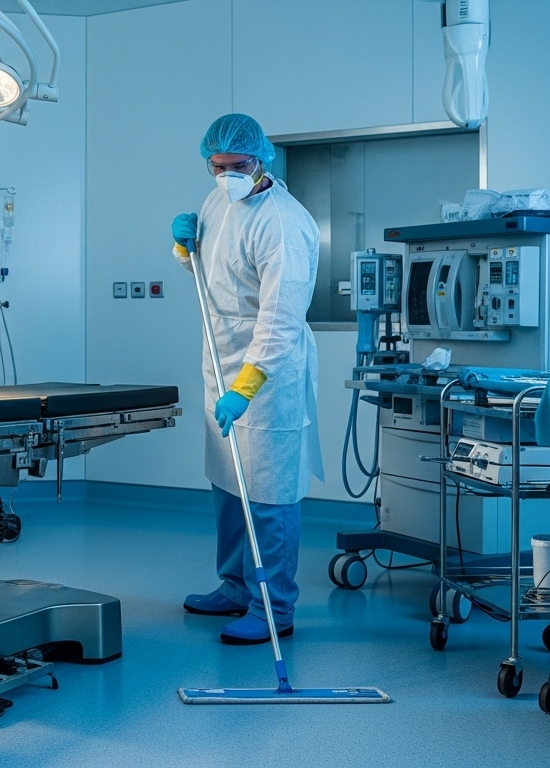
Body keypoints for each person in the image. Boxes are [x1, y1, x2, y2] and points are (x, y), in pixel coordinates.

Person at [171, 114, 323, 646]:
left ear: (261, 159)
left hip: (269, 377)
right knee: (228, 484)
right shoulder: (218, 202)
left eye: (238, 165)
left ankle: (273, 607)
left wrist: (248, 386)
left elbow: (280, 318)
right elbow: (215, 277)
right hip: (222, 360)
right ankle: (235, 587)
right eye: (217, 167)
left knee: (268, 492)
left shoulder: (283, 223)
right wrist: (183, 249)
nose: (227, 175)